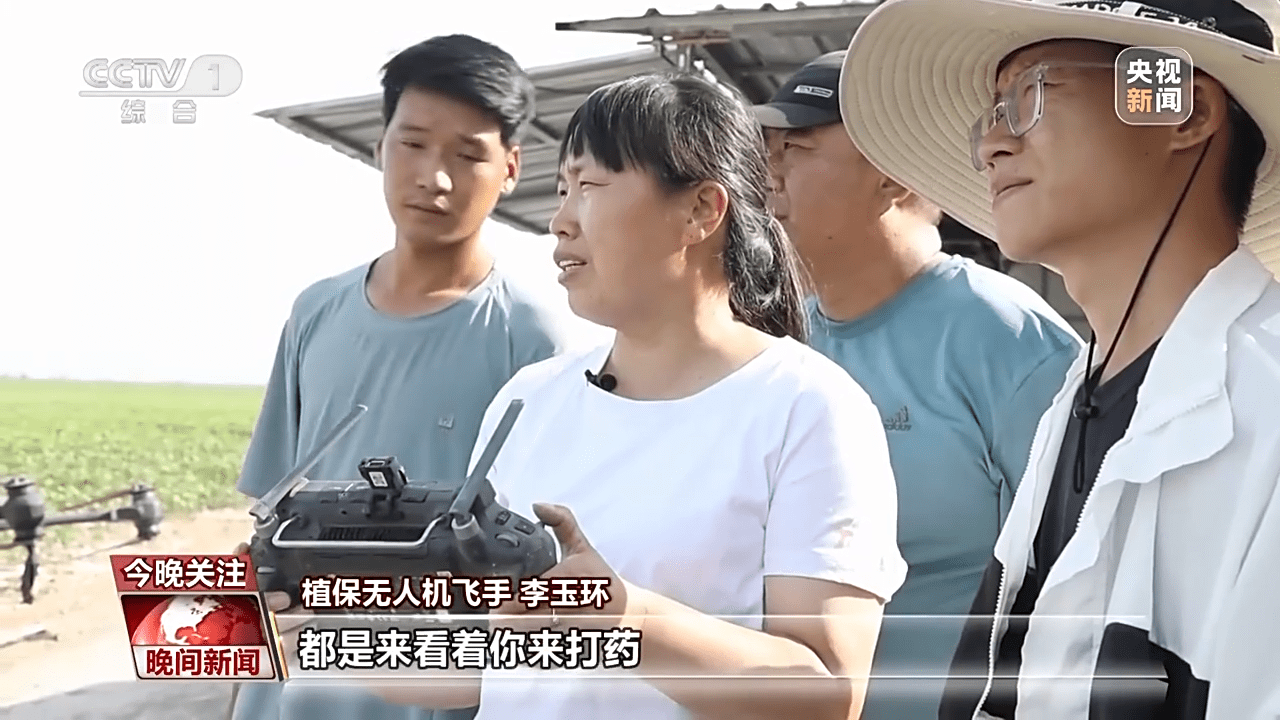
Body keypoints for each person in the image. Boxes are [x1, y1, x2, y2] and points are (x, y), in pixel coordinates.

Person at [369, 70, 909, 720]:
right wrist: (324, 634)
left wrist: (625, 616)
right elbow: (491, 665)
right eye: (562, 189)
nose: (560, 220)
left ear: (701, 210)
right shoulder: (528, 400)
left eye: (590, 187)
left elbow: (828, 691)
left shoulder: (808, 407)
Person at [839, 0, 1280, 717]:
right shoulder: (1077, 401)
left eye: (1033, 94)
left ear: (1183, 110)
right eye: (992, 115)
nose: (992, 145)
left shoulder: (1265, 410)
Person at [231, 34, 599, 720]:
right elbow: (263, 533)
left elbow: (543, 565)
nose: (436, 177)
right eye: (414, 144)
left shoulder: (537, 338)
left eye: (467, 154)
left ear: (511, 168)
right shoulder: (316, 312)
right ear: (381, 147)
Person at [754, 51, 1082, 719]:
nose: (769, 175)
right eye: (768, 151)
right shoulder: (777, 347)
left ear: (892, 174)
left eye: (797, 149)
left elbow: (1081, 577)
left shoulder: (1004, 337)